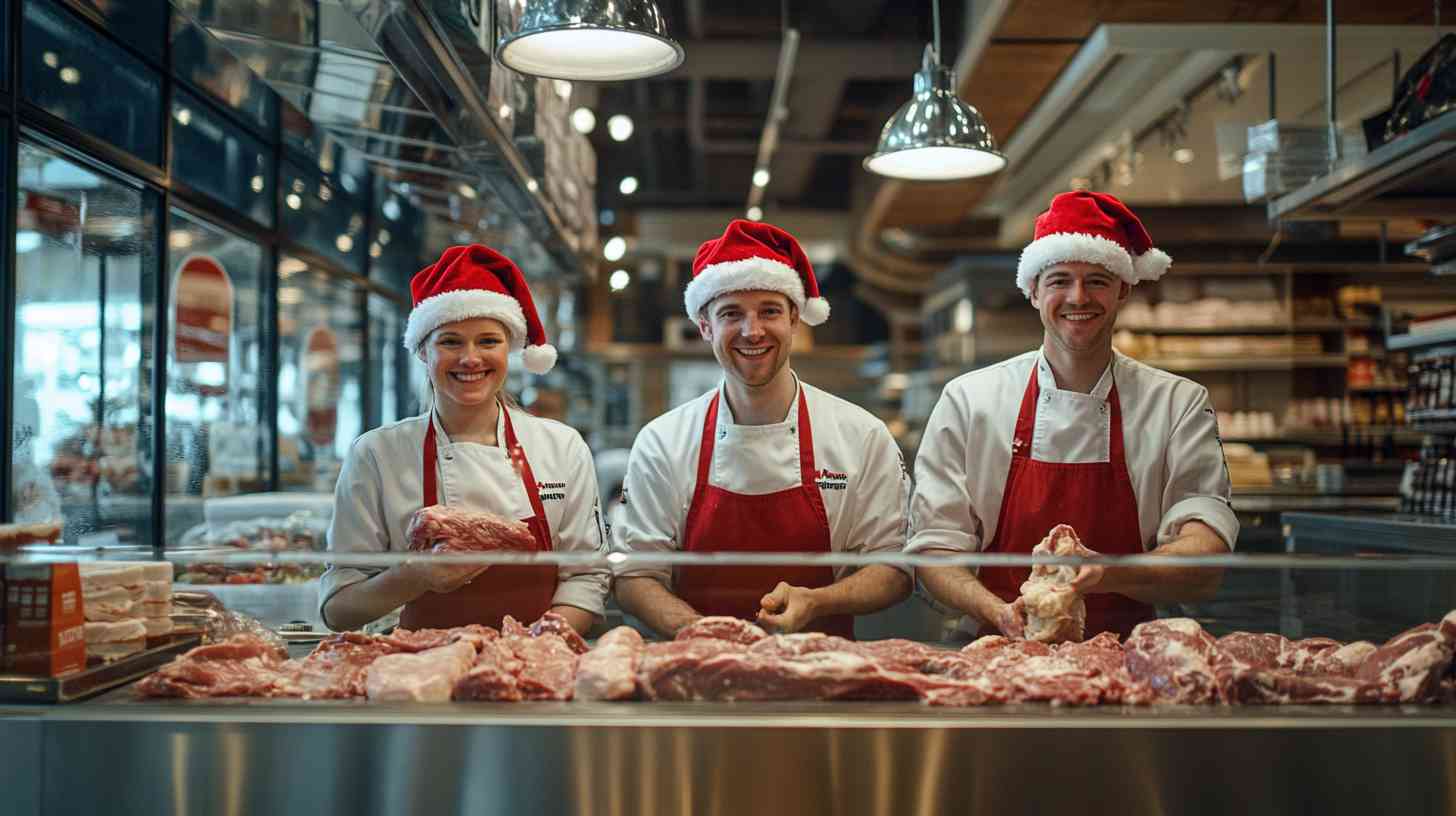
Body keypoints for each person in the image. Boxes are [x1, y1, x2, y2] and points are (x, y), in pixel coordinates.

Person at [910, 191, 1238, 640]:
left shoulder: (1177, 403)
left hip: (1133, 653)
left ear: (1123, 288)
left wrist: (1104, 573)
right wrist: (1000, 611)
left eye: (1097, 280)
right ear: (1033, 292)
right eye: (1060, 280)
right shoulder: (970, 400)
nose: (1078, 297)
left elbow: (1205, 558)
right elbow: (935, 549)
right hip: (995, 647)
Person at [613, 219, 911, 638]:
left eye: (769, 311)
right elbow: (634, 575)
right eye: (731, 313)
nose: (752, 331)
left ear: (794, 318)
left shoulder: (860, 434)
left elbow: (894, 568)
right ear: (704, 326)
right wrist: (701, 632)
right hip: (697, 676)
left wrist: (818, 601)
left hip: (825, 673)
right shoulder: (663, 441)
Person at [319, 244, 609, 634]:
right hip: (417, 673)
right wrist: (415, 577)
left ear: (511, 349)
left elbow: (587, 579)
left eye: (488, 341)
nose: (470, 358)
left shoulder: (562, 446)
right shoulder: (377, 454)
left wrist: (534, 653)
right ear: (423, 350)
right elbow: (339, 608)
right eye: (451, 341)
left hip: (537, 673)